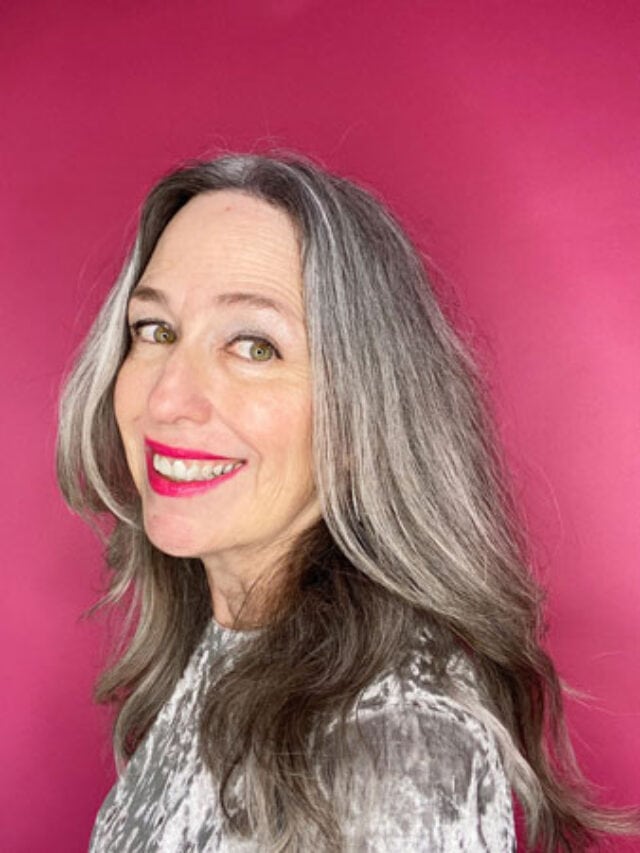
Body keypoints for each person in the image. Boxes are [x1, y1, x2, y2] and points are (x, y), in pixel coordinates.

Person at [56, 153, 637, 852]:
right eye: (154, 330)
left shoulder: (393, 744)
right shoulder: (228, 649)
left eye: (254, 346)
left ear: (365, 414)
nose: (166, 398)